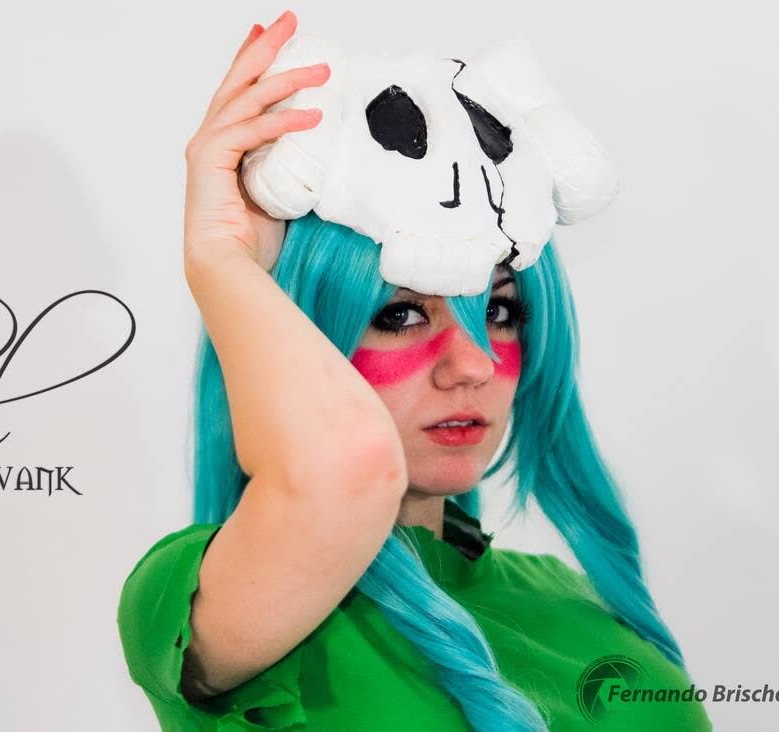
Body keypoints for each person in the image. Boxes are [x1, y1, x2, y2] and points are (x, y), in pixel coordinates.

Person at [118, 10, 712, 731]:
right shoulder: (195, 608)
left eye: (499, 311)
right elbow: (352, 470)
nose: (473, 364)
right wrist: (221, 257)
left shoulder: (574, 602)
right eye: (398, 315)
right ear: (303, 325)